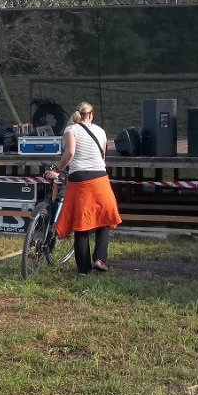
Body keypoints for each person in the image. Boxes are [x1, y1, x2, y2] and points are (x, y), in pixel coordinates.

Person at [43, 101, 122, 274]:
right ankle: (100, 259)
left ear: (78, 114)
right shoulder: (101, 131)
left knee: (81, 223)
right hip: (100, 178)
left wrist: (57, 171)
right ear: (91, 115)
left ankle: (84, 269)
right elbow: (102, 156)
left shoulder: (71, 129)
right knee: (105, 218)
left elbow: (70, 152)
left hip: (79, 180)